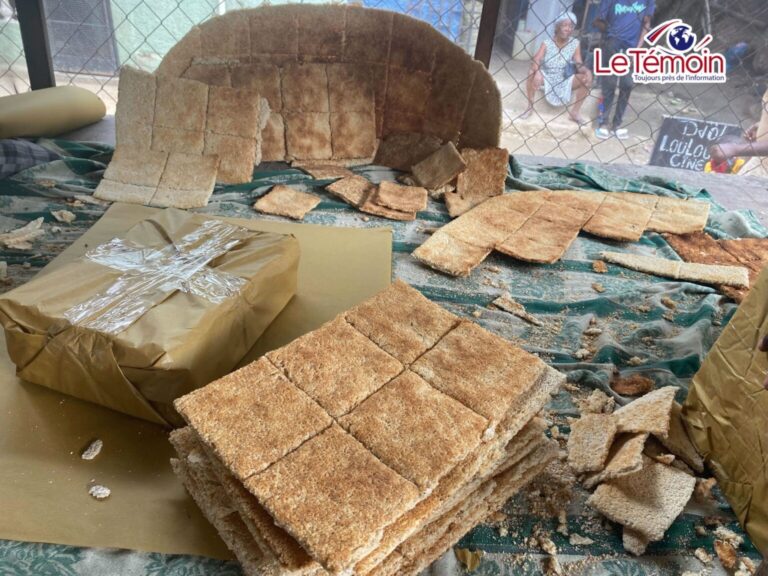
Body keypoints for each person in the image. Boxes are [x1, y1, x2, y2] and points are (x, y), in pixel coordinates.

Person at [592, 0, 655, 139]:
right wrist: (610, 33)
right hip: (612, 44)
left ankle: (617, 124)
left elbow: (646, 24)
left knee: (627, 85)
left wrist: (638, 49)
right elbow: (598, 21)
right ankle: (603, 122)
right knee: (609, 84)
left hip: (631, 47)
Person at [521, 11, 593, 125]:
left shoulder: (575, 43)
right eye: (565, 25)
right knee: (531, 72)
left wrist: (587, 71)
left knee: (586, 78)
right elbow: (536, 59)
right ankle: (529, 107)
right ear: (558, 27)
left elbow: (579, 64)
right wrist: (538, 71)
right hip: (548, 77)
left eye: (571, 26)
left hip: (565, 78)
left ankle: (575, 112)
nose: (568, 29)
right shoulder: (547, 43)